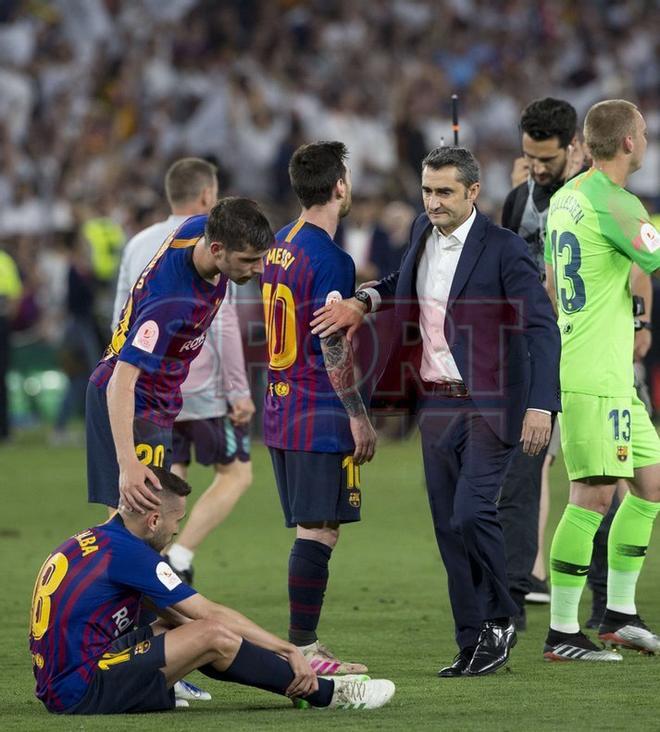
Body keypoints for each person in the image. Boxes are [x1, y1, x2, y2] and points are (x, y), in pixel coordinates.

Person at [311, 146, 561, 677]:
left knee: (473, 512)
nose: (433, 201)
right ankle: (472, 639)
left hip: (490, 405)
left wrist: (542, 404)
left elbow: (541, 326)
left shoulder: (505, 250)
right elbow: (399, 282)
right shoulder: (421, 235)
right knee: (449, 528)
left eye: (444, 191)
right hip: (435, 404)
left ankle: (502, 620)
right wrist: (364, 301)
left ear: (473, 192)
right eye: (427, 190)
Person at [28, 467, 395, 715]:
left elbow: (173, 613)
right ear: (154, 519)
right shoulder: (132, 554)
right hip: (80, 690)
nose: (175, 532)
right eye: (177, 522)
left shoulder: (92, 540)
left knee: (184, 625)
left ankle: (292, 680)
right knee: (211, 633)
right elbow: (210, 615)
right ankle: (327, 694)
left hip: (63, 677)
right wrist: (289, 649)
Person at [542, 99, 660, 661]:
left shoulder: (566, 198)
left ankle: (618, 614)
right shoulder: (616, 203)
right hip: (595, 376)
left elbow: (549, 283)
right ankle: (563, 631)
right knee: (591, 496)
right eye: (643, 131)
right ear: (630, 142)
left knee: (651, 484)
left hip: (604, 369)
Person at [261, 141, 377, 676]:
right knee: (319, 529)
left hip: (281, 406)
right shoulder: (332, 259)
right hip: (317, 411)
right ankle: (303, 651)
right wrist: (357, 413)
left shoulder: (280, 242)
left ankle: (305, 646)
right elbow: (333, 346)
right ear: (338, 187)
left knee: (317, 526)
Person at [111, 158, 255, 583]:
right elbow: (223, 321)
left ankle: (150, 572)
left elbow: (121, 313)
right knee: (236, 473)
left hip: (144, 391)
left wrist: (121, 374)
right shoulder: (214, 243)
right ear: (209, 196)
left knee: (165, 483)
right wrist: (237, 389)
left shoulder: (139, 242)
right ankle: (180, 556)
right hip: (203, 388)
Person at [86, 197, 270, 517]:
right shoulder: (169, 304)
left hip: (158, 401)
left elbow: (224, 211)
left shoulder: (199, 229)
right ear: (216, 250)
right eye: (249, 260)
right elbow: (121, 382)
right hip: (133, 402)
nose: (259, 268)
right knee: (140, 524)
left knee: (151, 522)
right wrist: (128, 463)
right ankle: (76, 564)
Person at [498, 98, 583, 625]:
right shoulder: (516, 199)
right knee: (527, 465)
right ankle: (520, 583)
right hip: (531, 351)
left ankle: (604, 599)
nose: (536, 168)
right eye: (529, 158)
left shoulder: (594, 197)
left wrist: (639, 326)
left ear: (573, 148)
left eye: (546, 159)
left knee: (603, 472)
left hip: (586, 346)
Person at [0, 246, 22, 441]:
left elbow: (15, 298)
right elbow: (15, 297)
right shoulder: (5, 260)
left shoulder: (5, 260)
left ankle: (4, 430)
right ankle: (4, 431)